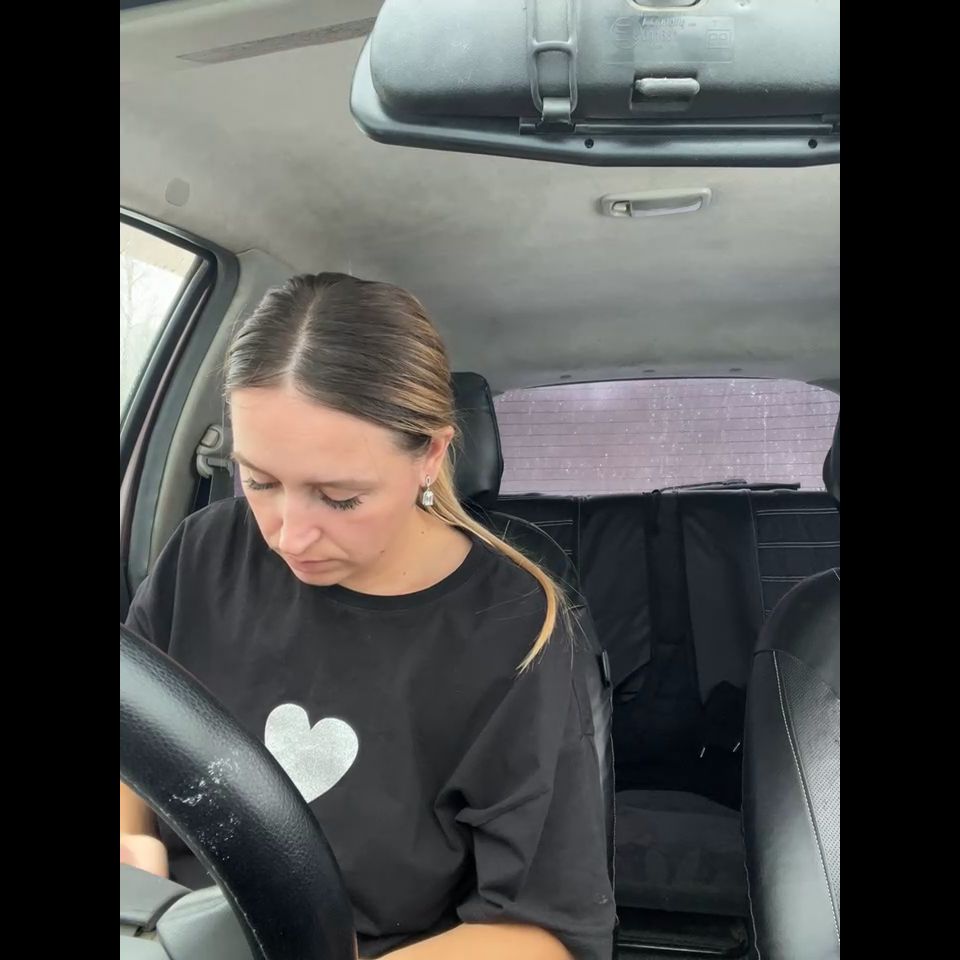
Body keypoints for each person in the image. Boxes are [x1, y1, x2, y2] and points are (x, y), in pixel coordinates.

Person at [120, 272, 615, 959]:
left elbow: (546, 931)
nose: (288, 536)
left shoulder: (517, 631)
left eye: (340, 498)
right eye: (258, 481)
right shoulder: (207, 548)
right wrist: (131, 843)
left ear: (431, 454)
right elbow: (135, 727)